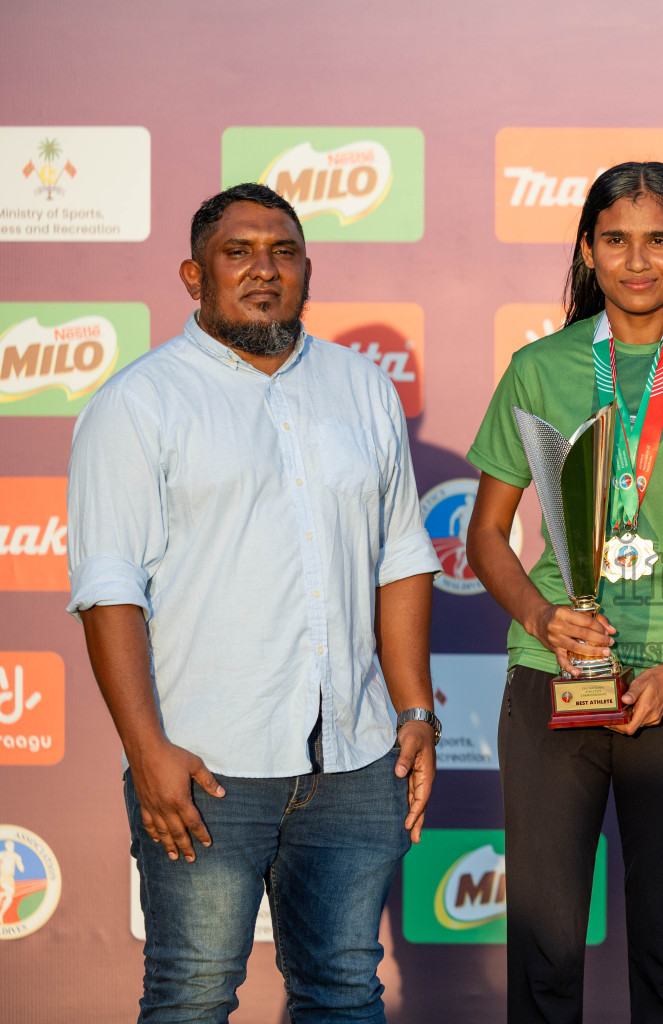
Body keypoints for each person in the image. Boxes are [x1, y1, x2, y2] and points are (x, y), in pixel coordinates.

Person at [66, 183, 442, 1023]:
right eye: (238, 253)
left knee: (345, 990)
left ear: (308, 268)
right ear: (193, 274)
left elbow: (403, 557)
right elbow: (108, 587)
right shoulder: (137, 404)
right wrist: (147, 749)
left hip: (353, 758)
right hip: (206, 766)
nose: (263, 271)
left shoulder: (363, 389)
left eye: (283, 252)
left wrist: (414, 705)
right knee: (192, 996)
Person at [464, 162, 663, 1024]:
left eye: (657, 239)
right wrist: (541, 616)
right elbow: (486, 533)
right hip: (552, 676)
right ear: (587, 250)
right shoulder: (541, 367)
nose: (637, 260)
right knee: (545, 948)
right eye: (615, 239)